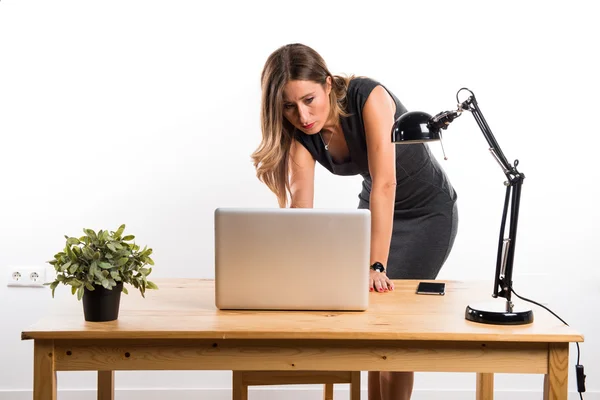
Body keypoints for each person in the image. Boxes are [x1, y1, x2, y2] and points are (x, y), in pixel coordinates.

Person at [251, 43, 458, 400]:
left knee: (394, 324)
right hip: (375, 208)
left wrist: (376, 263)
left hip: (427, 211)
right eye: (289, 106)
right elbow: (302, 210)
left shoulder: (369, 96)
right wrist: (292, 270)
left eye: (309, 99)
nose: (302, 115)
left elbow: (386, 183)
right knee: (370, 323)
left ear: (328, 84)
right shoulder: (303, 134)